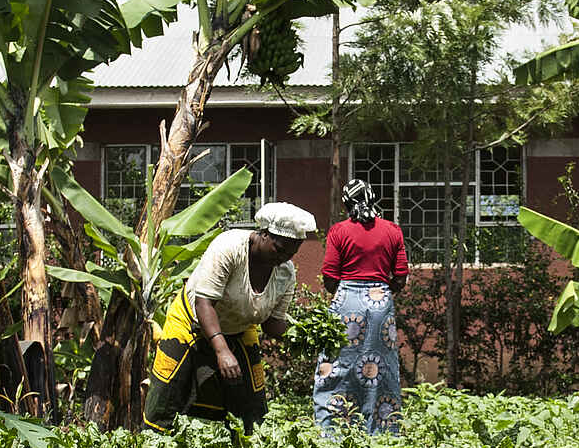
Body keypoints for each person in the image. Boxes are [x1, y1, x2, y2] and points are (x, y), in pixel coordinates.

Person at [143, 202, 315, 433]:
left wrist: (304, 336)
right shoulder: (229, 247)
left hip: (240, 328)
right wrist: (222, 351)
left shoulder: (285, 272)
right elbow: (204, 304)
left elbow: (272, 323)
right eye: (280, 249)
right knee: (166, 398)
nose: (284, 258)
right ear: (264, 234)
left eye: (291, 253)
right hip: (191, 322)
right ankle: (154, 446)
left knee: (252, 404)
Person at [313, 180, 410, 434]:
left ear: (346, 204)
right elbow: (401, 276)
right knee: (379, 368)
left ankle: (332, 431)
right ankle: (382, 432)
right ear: (374, 198)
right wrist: (380, 294)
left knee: (337, 366)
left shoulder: (339, 231)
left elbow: (329, 276)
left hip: (346, 302)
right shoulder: (392, 231)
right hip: (380, 305)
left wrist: (347, 296)